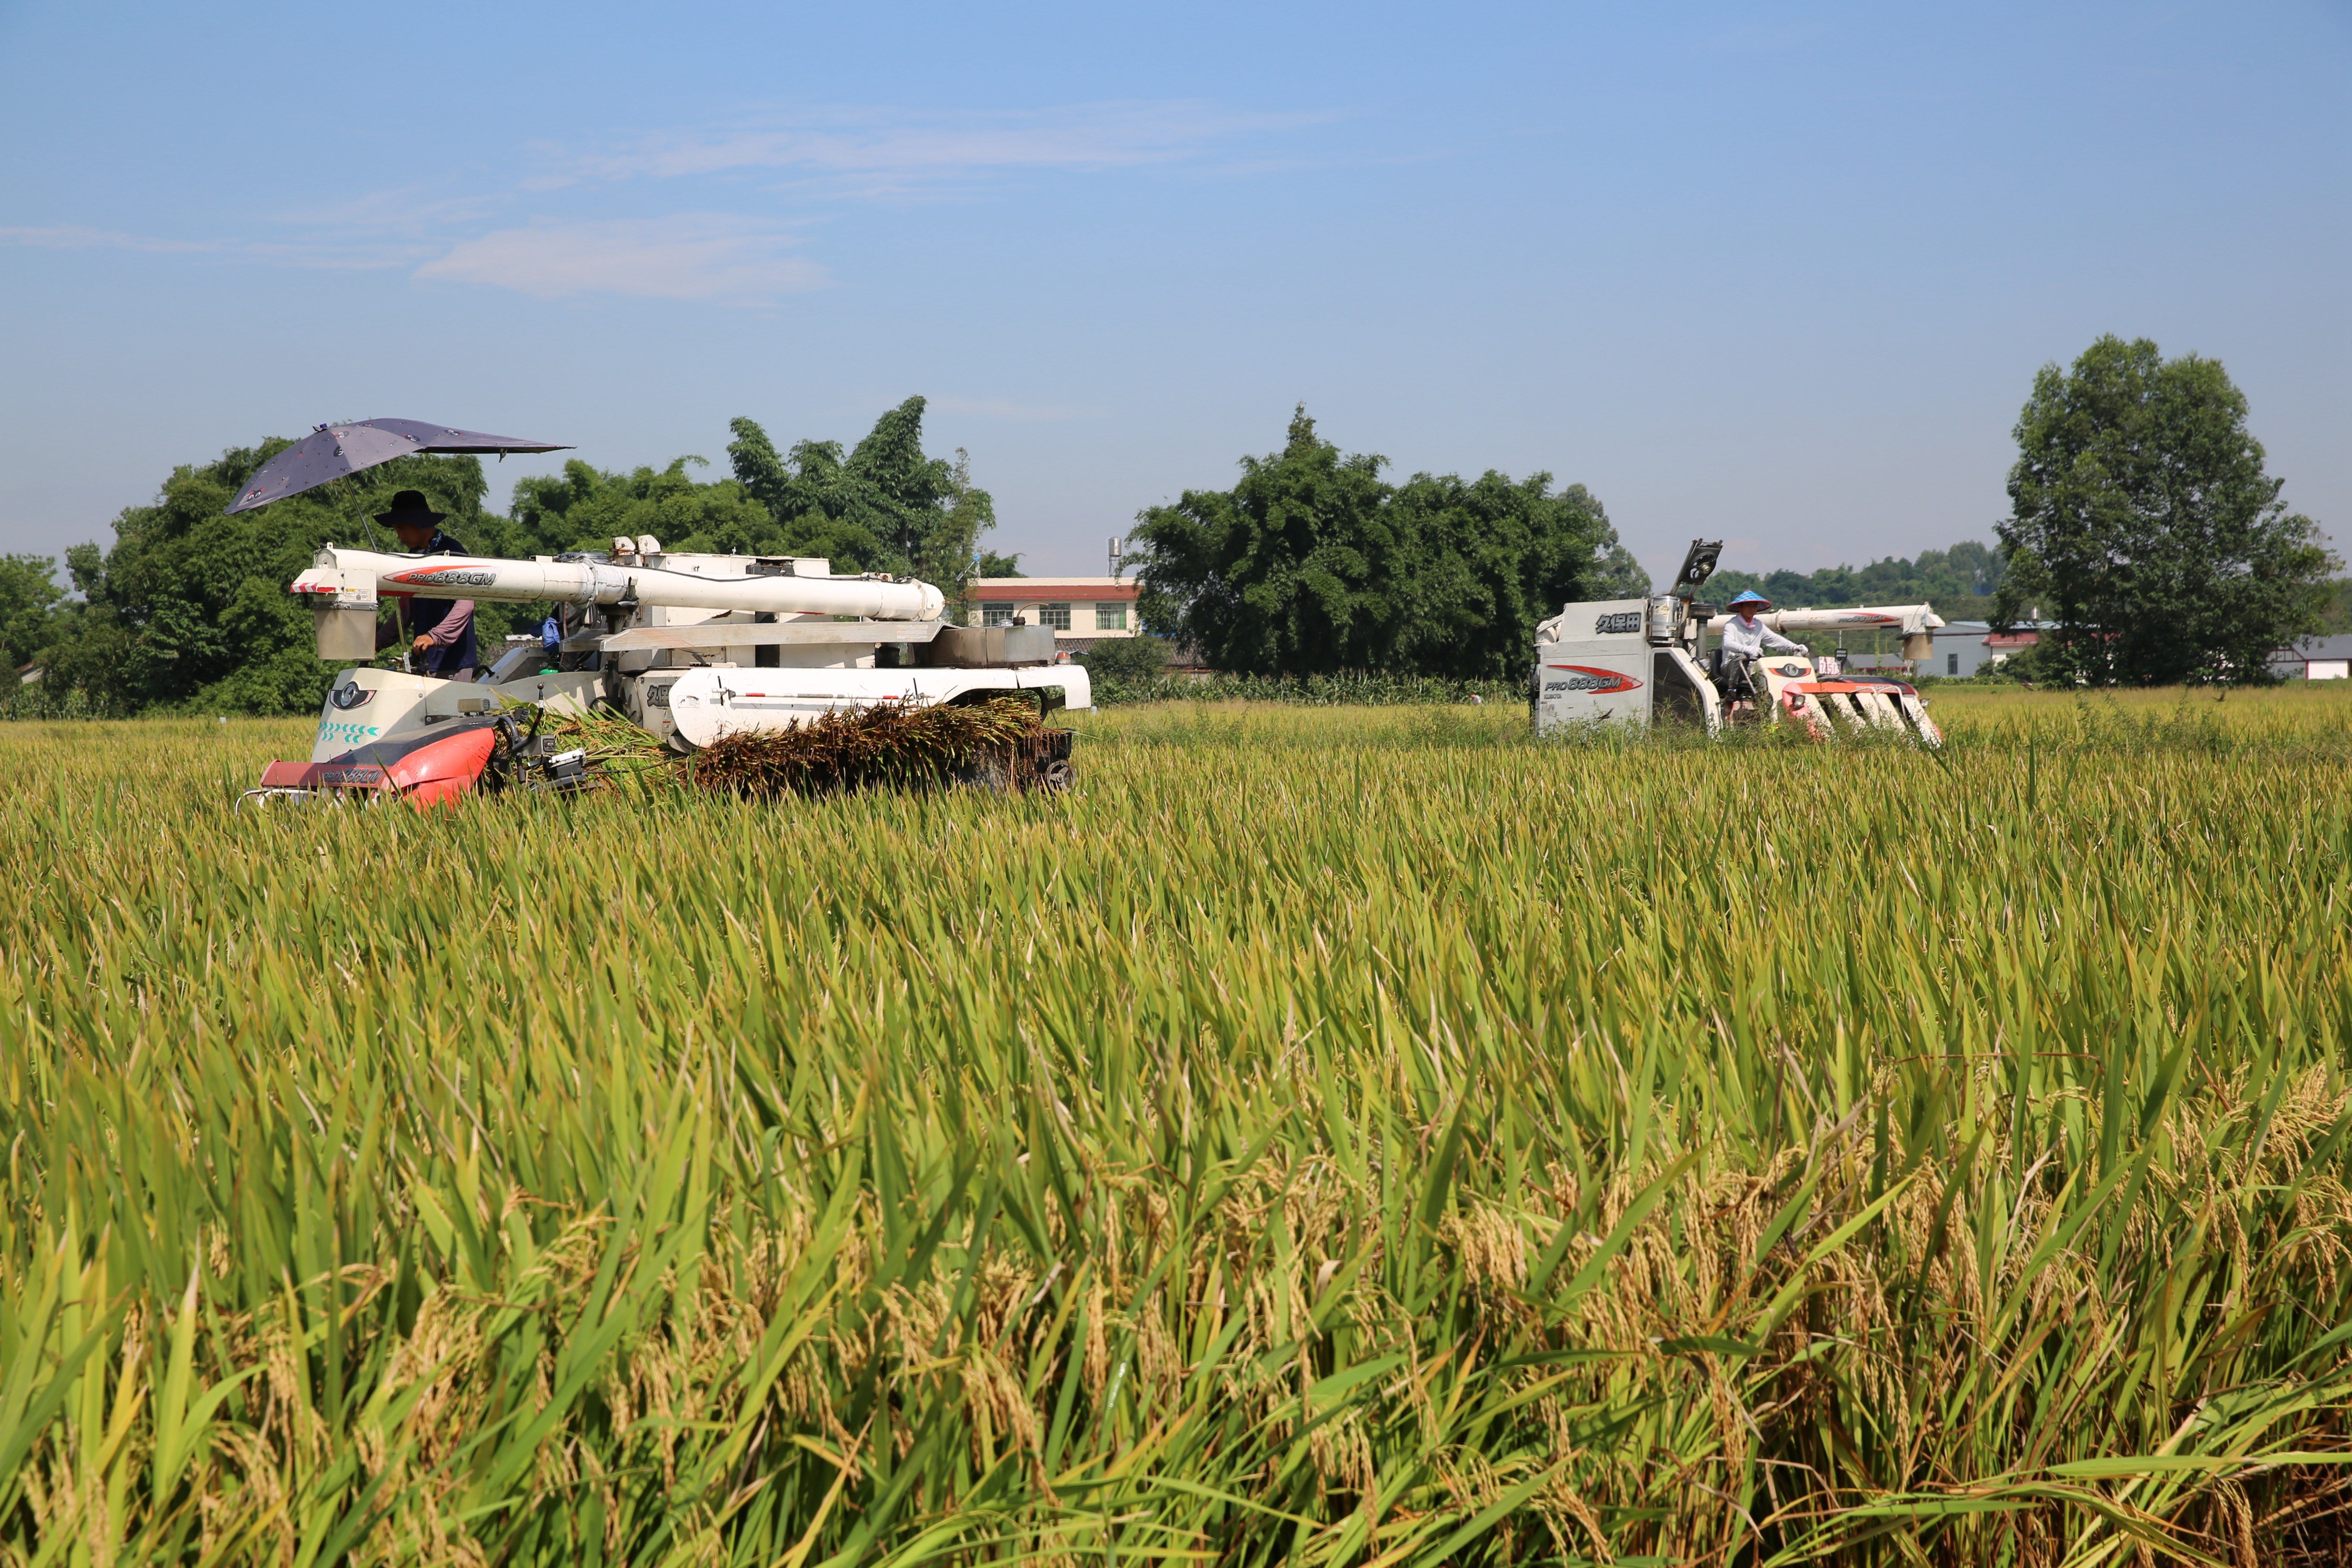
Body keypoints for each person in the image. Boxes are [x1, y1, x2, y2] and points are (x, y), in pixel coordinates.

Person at [376, 490, 480, 681]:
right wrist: (377, 641)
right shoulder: (414, 556)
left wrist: (434, 636)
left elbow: (466, 603)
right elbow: (406, 610)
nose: (399, 536)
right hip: (425, 662)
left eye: (402, 528)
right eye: (396, 530)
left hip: (453, 663)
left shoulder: (454, 552)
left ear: (420, 523)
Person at [1717, 589, 1803, 719]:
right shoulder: (1732, 625)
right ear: (1741, 607)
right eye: (1749, 606)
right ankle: (1732, 690)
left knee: (1767, 670)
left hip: (1753, 668)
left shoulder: (1759, 626)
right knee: (1741, 657)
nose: (1752, 609)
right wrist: (1747, 649)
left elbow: (1775, 639)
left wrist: (1794, 646)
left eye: (1755, 606)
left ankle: (1768, 705)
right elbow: (1728, 643)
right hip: (1731, 667)